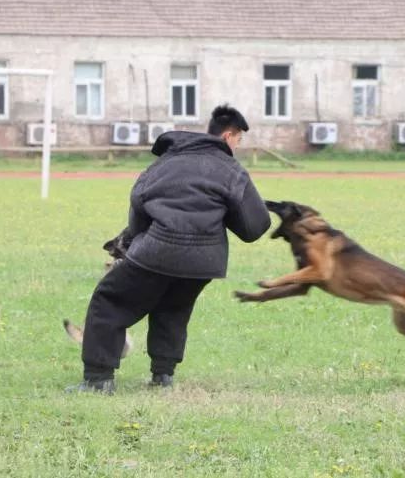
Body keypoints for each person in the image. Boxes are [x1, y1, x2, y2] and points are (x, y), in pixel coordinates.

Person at [66, 104, 271, 394]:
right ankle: (163, 377)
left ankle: (99, 380)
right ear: (228, 136)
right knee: (174, 306)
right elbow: (254, 228)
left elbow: (138, 206)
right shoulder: (232, 171)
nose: (237, 147)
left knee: (109, 301)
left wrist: (135, 243)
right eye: (239, 140)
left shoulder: (161, 165)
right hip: (205, 263)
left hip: (156, 251)